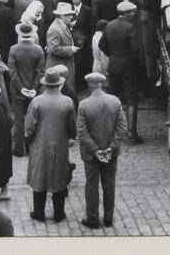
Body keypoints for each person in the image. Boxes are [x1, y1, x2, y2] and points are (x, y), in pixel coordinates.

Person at [76, 71, 128, 229]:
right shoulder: (114, 101)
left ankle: (92, 218)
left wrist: (95, 150)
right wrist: (111, 148)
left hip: (91, 156)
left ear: (89, 86)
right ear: (101, 84)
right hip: (111, 154)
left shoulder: (84, 105)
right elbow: (122, 127)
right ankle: (108, 218)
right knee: (109, 184)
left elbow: (82, 131)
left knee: (91, 184)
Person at [24, 67, 77, 223]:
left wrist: (29, 140)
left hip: (40, 145)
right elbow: (72, 126)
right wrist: (70, 136)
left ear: (45, 84)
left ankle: (39, 212)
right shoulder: (67, 102)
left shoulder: (37, 101)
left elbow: (29, 127)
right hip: (60, 145)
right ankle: (59, 213)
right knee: (59, 177)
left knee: (39, 177)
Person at [100, 0, 144, 144]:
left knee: (113, 98)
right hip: (128, 67)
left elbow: (102, 44)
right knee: (131, 99)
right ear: (125, 13)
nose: (133, 14)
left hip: (113, 65)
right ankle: (131, 133)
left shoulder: (109, 26)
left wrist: (113, 55)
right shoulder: (130, 28)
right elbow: (135, 50)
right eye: (131, 12)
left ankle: (110, 131)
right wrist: (132, 62)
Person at [7, 22, 45, 158]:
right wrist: (34, 88)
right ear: (32, 33)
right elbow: (40, 71)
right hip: (33, 88)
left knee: (19, 118)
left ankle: (18, 148)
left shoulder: (13, 49)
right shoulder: (39, 49)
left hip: (18, 90)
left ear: (20, 33)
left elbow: (12, 71)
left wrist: (20, 88)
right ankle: (30, 147)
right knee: (33, 119)